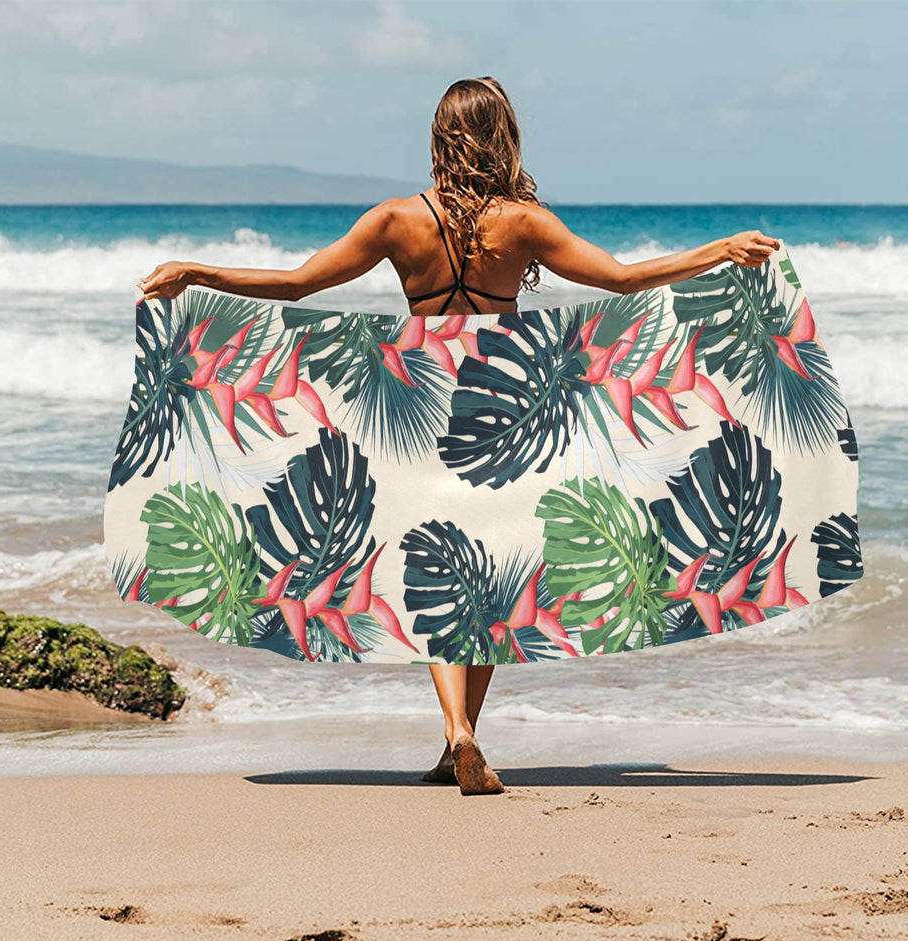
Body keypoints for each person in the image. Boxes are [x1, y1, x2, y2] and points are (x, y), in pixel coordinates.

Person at [138, 76, 780, 795]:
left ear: (441, 137)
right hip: (499, 403)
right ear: (503, 136)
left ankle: (457, 738)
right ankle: (462, 734)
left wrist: (197, 271)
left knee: (436, 565)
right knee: (485, 571)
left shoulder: (393, 220)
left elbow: (296, 286)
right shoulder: (524, 223)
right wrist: (719, 249)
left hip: (421, 394)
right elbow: (623, 281)